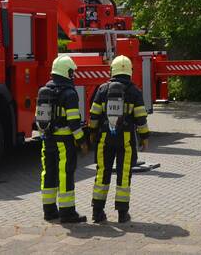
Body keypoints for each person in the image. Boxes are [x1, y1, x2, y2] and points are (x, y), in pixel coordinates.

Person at [86, 55, 149, 224]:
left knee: (101, 174)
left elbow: (94, 115)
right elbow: (141, 117)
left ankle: (97, 213)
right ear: (130, 71)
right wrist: (144, 137)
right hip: (126, 139)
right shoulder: (135, 91)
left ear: (112, 70)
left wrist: (92, 132)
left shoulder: (102, 89)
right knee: (124, 175)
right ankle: (122, 214)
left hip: (105, 138)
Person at [38, 55, 89, 224]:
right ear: (66, 72)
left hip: (47, 140)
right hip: (64, 142)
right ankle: (67, 213)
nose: (73, 75)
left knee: (48, 173)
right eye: (71, 72)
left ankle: (49, 211)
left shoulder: (44, 90)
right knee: (65, 174)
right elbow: (73, 122)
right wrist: (82, 141)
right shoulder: (69, 94)